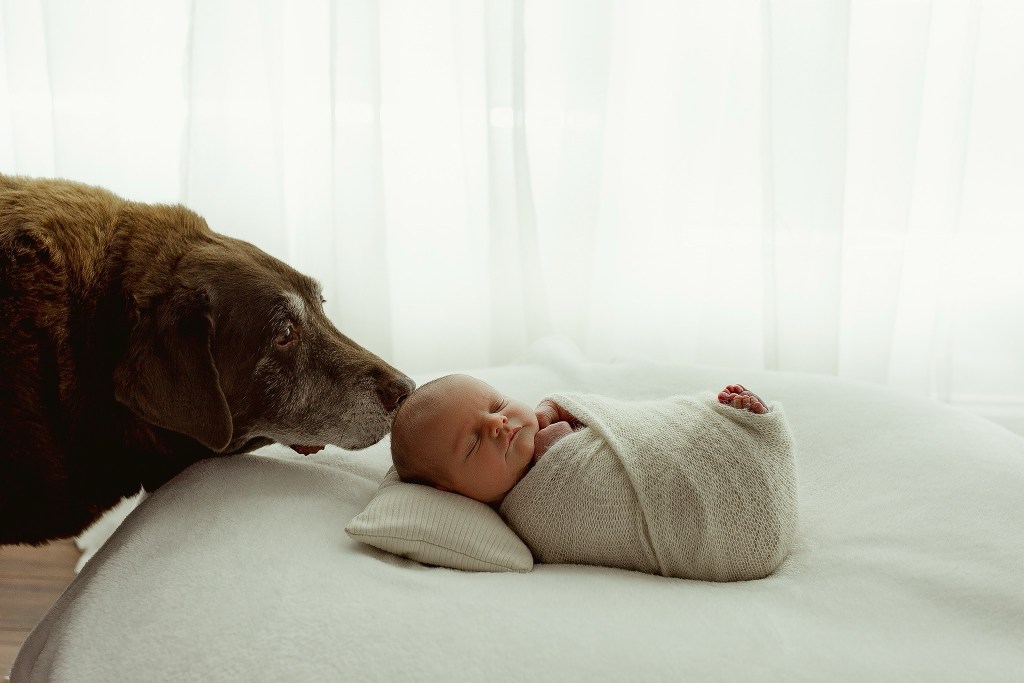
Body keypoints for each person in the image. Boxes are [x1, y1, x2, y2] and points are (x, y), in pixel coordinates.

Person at [390, 374, 797, 581]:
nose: (498, 423)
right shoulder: (534, 515)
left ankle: (737, 429)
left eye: (497, 404)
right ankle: (735, 448)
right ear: (452, 491)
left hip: (672, 450)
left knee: (687, 427)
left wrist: (554, 410)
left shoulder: (541, 427)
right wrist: (555, 445)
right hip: (717, 526)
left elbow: (629, 422)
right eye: (474, 442)